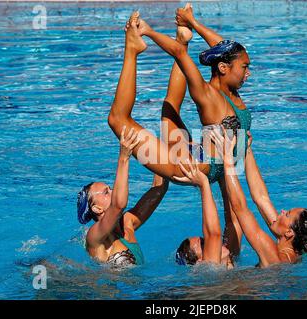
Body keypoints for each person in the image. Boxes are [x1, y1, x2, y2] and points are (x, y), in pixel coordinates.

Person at [107, 10, 244, 259]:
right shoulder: (229, 255)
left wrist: (184, 28)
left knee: (129, 117)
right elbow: (234, 215)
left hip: (202, 162)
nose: (209, 242)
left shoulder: (230, 92)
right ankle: (163, 43)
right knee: (147, 113)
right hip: (213, 160)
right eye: (245, 67)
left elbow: (230, 54)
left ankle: (146, 46)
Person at [211, 129, 307, 267]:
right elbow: (261, 197)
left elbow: (240, 208)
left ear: (289, 233)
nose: (281, 211)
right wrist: (246, 149)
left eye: (287, 214)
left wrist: (227, 158)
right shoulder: (294, 251)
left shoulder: (274, 256)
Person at [77, 127, 168, 268]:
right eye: (106, 192)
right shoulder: (94, 237)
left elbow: (159, 188)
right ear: (96, 208)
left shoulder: (128, 223)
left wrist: (162, 150)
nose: (113, 190)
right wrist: (124, 157)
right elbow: (118, 205)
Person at [174, 160, 234, 268]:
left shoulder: (231, 259)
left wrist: (223, 177)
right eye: (203, 244)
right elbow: (213, 234)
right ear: (200, 262)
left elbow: (233, 222)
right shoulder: (211, 269)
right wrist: (203, 184)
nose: (211, 243)